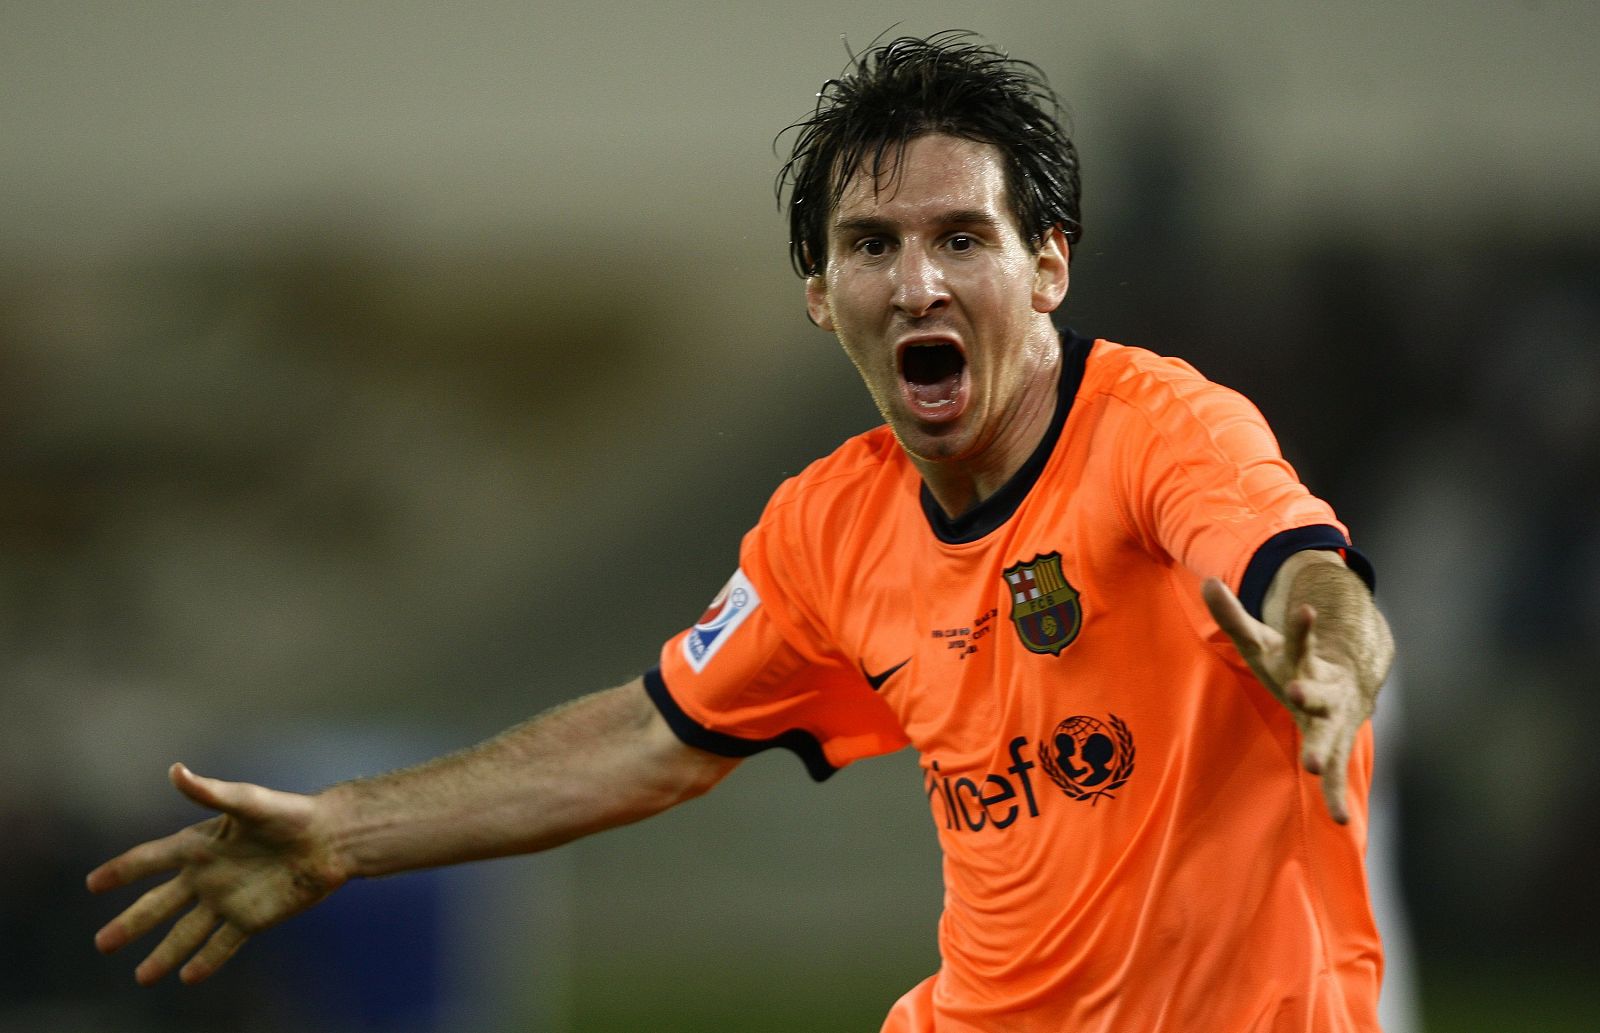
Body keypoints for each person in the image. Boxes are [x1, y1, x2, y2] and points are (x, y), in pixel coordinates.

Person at [88, 32, 1395, 1031]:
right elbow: (653, 736)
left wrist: (1330, 661)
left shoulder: (1164, 429)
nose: (919, 280)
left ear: (1048, 264)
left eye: (962, 237)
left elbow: (1303, 575)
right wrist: (341, 832)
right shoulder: (831, 525)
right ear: (822, 297)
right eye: (872, 244)